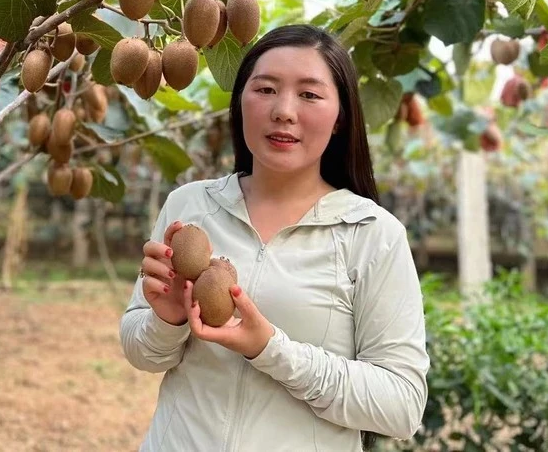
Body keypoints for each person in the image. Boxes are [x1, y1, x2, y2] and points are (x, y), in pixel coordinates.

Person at [119, 24, 430, 451]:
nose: (284, 110)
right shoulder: (189, 208)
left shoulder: (373, 234)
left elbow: (402, 406)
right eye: (265, 89)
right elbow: (144, 354)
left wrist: (270, 350)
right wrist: (168, 318)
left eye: (309, 94)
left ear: (341, 118)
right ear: (240, 102)